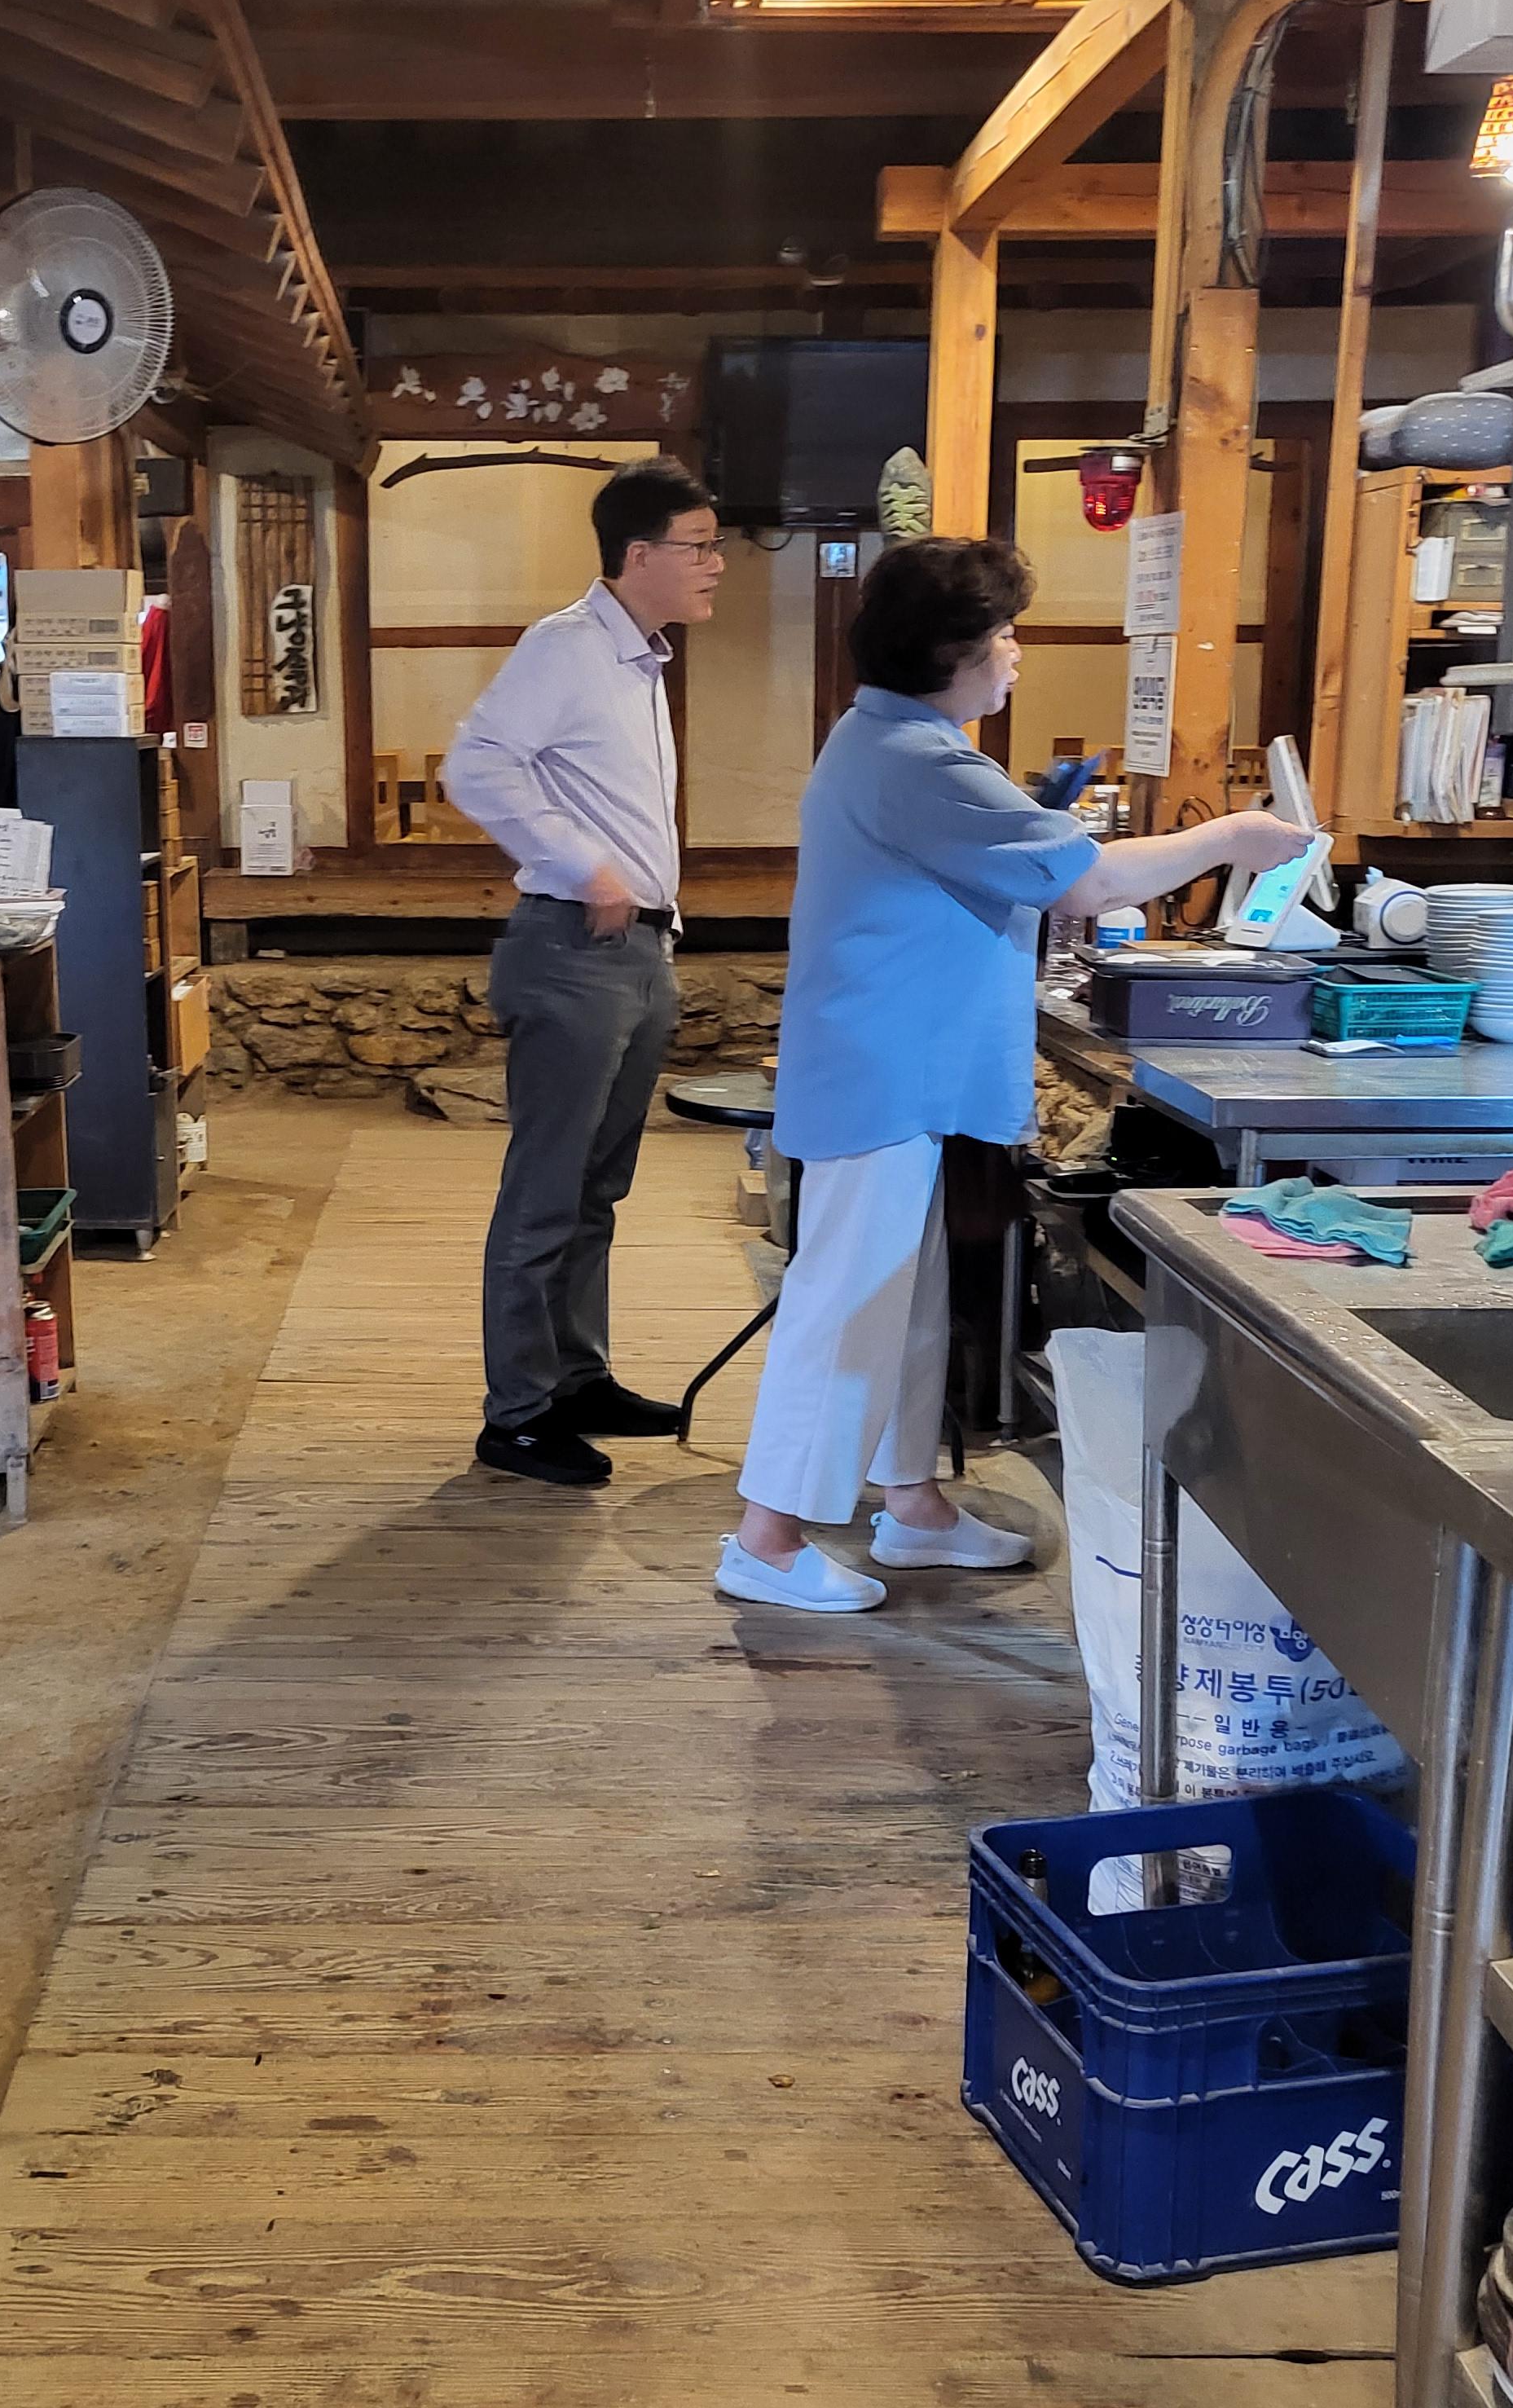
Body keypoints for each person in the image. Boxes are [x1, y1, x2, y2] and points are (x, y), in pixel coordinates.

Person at [714, 535, 1314, 1614]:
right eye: (1003, 634)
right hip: (881, 1072)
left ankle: (912, 1507)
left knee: (904, 1295)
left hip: (896, 1068)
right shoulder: (919, 759)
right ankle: (766, 1540)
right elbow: (1089, 881)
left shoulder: (896, 737)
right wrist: (1230, 835)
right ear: (950, 652)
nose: (1016, 653)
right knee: (846, 1303)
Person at [441, 458, 723, 1490]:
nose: (717, 565)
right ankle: (517, 1416)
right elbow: (474, 766)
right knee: (546, 1192)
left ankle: (575, 1375)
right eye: (700, 547)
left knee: (598, 1186)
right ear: (638, 554)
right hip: (573, 947)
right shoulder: (566, 645)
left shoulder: (639, 660)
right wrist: (582, 865)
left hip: (636, 949)